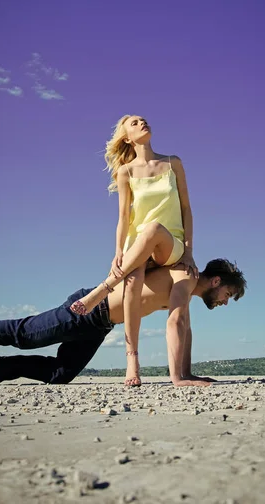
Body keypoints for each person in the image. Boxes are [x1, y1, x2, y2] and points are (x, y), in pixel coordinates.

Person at [0, 259, 246, 388]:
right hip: (88, 309)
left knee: (60, 374)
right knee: (22, 334)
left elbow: (185, 329)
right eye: (227, 294)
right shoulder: (187, 277)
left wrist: (188, 371)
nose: (224, 301)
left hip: (99, 327)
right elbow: (175, 324)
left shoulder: (187, 291)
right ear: (217, 280)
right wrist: (177, 379)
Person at [82, 114, 198, 387]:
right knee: (132, 280)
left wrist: (190, 251)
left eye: (143, 120)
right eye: (133, 123)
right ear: (126, 138)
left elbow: (186, 209)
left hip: (170, 244)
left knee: (154, 227)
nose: (142, 123)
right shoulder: (126, 172)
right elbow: (123, 217)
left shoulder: (173, 163)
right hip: (137, 247)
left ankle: (104, 288)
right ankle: (132, 361)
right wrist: (118, 252)